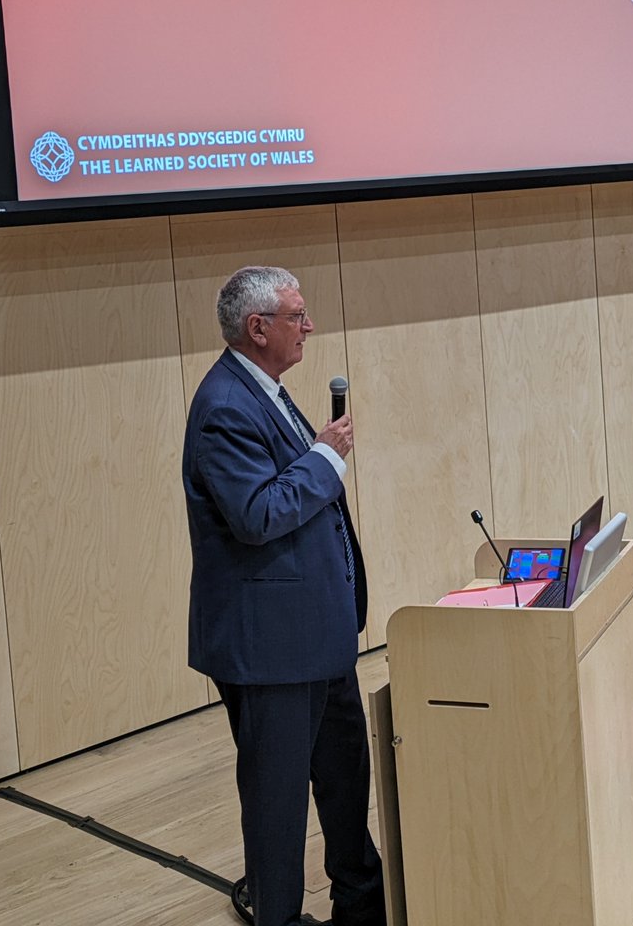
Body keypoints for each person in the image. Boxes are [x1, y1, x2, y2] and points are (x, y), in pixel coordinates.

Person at [182, 265, 386, 926]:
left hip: (318, 637)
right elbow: (257, 514)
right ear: (257, 327)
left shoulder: (264, 389)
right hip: (269, 648)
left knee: (345, 781)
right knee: (276, 809)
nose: (309, 326)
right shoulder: (223, 407)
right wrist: (325, 457)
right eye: (297, 316)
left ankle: (362, 906)